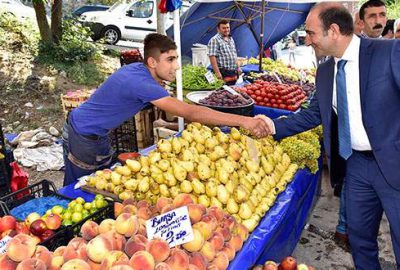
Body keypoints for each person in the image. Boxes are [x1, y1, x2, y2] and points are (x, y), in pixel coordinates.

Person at [258, 3, 400, 269]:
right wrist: (273, 127)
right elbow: (313, 114)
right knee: (359, 239)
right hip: (356, 167)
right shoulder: (325, 70)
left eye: (311, 33)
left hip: (394, 164)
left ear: (333, 30)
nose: (307, 40)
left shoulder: (388, 52)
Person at [62, 33, 271, 187]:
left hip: (96, 133)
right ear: (152, 62)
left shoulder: (140, 71)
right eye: (170, 59)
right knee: (80, 188)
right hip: (84, 135)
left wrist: (168, 122)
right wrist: (245, 121)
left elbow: (175, 113)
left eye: (176, 59)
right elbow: (190, 112)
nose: (177, 66)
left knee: (98, 184)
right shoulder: (141, 83)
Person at [208, 20, 241, 85]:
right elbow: (212, 56)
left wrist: (238, 67)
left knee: (232, 92)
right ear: (218, 29)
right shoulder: (214, 40)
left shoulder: (230, 38)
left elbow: (234, 54)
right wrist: (217, 73)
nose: (226, 30)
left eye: (227, 27)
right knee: (223, 93)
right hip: (223, 72)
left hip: (233, 72)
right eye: (223, 28)